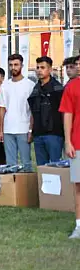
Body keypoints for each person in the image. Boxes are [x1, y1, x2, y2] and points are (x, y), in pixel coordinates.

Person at [0, 54, 35, 172]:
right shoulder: (5, 85)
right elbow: (2, 108)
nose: (13, 67)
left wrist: (30, 130)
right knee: (10, 165)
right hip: (8, 129)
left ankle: (27, 189)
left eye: (16, 65)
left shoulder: (30, 85)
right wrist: (1, 130)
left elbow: (33, 110)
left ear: (22, 66)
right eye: (11, 65)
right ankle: (13, 190)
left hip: (23, 129)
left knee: (26, 163)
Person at [29, 56, 65, 165]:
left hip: (54, 134)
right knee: (41, 167)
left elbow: (64, 112)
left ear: (50, 70)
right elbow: (32, 111)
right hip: (38, 134)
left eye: (42, 67)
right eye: (38, 67)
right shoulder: (35, 89)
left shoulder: (58, 88)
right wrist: (31, 131)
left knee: (55, 166)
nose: (39, 70)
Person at [59, 70, 80, 239]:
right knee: (79, 186)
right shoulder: (72, 86)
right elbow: (68, 114)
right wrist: (68, 141)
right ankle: (79, 226)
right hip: (77, 142)